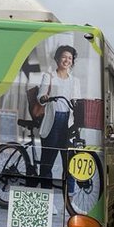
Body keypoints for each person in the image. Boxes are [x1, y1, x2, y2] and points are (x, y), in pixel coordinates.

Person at [36, 44, 81, 187]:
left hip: (69, 122)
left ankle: (70, 197)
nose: (67, 60)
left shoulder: (75, 81)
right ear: (57, 59)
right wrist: (44, 98)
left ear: (72, 61)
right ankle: (46, 194)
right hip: (53, 120)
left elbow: (77, 101)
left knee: (70, 161)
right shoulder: (49, 76)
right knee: (47, 161)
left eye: (70, 58)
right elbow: (41, 96)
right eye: (64, 57)